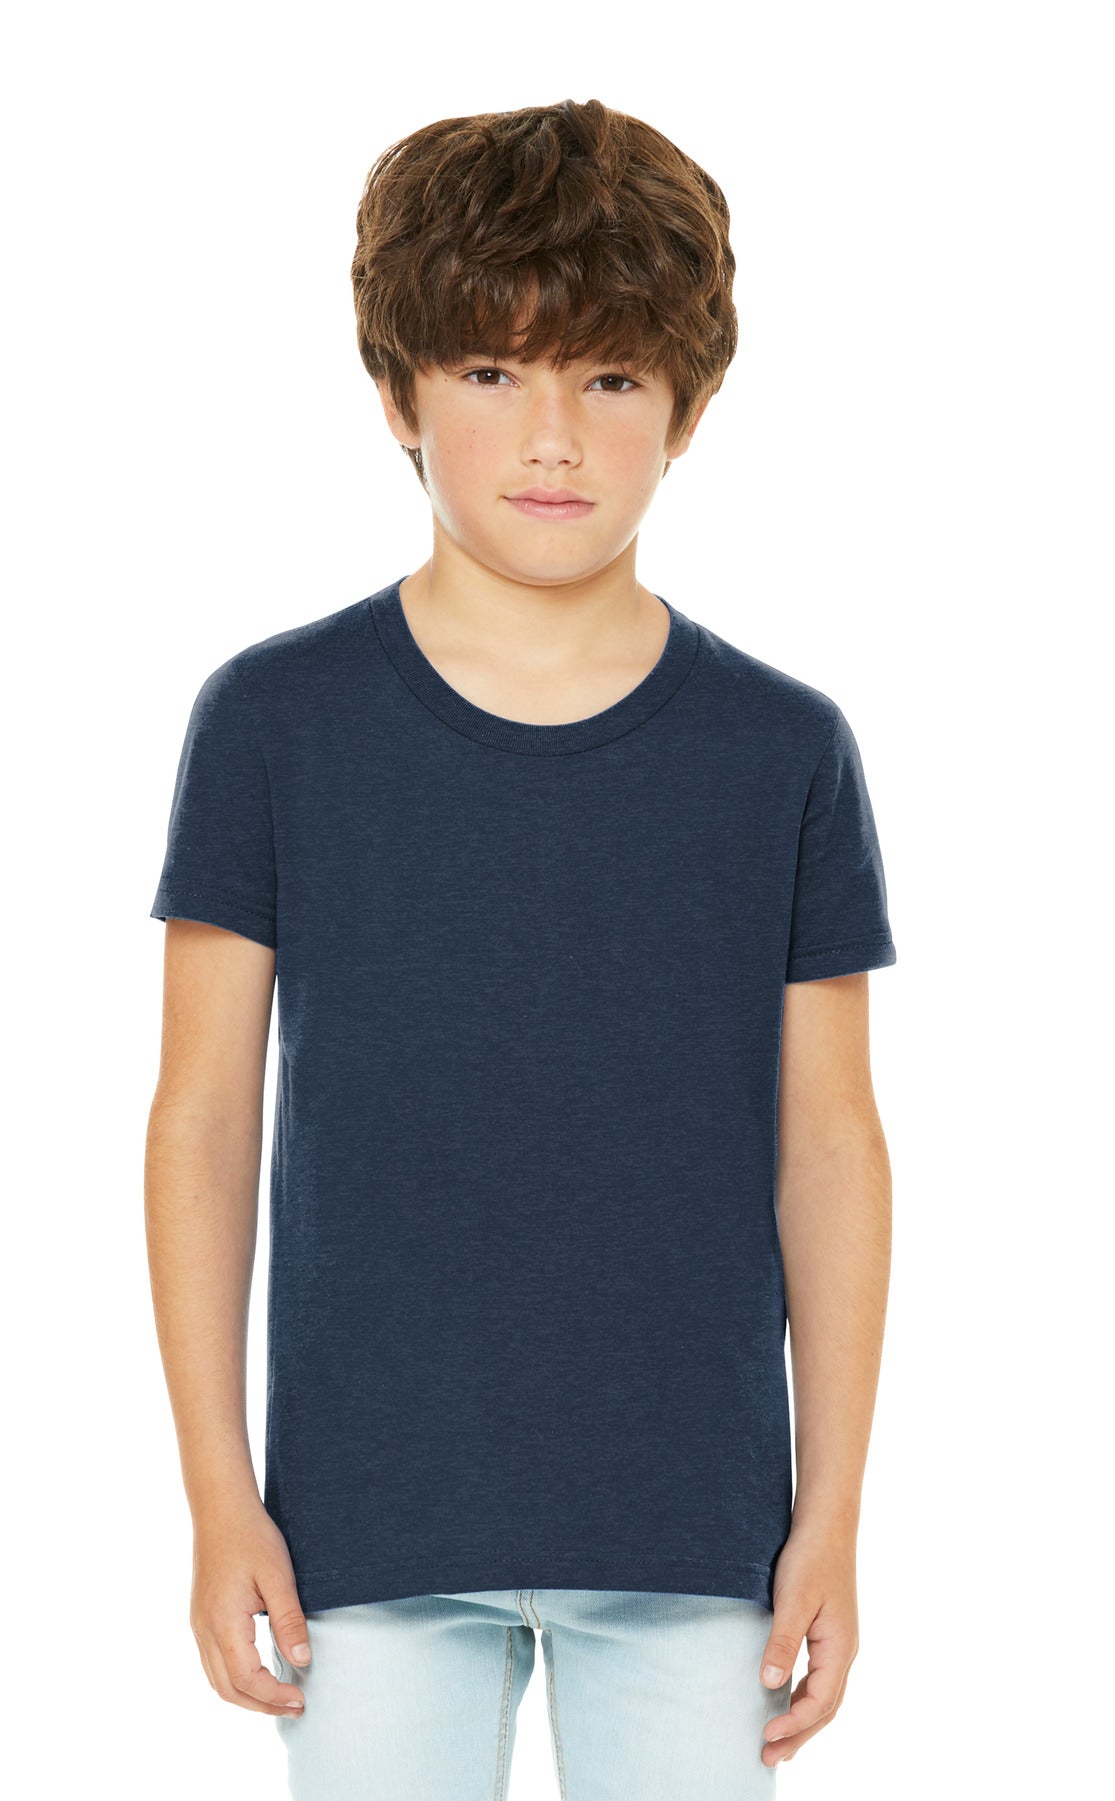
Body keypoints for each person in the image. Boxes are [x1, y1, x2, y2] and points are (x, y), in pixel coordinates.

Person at [145, 96, 897, 1800]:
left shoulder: (784, 748)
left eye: (610, 377)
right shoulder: (273, 720)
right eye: (492, 370)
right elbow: (203, 1117)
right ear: (398, 392)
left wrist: (835, 1511)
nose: (552, 436)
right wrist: (217, 1490)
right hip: (366, 1517)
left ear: (688, 409)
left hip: (692, 1518)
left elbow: (833, 1143)